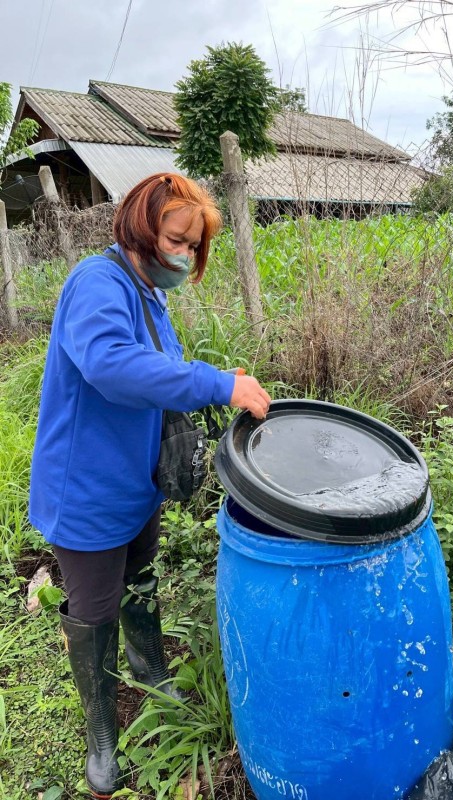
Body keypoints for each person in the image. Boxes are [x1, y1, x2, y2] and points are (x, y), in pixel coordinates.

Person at [29, 172, 271, 799]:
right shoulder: (98, 283)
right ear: (141, 227)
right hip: (87, 487)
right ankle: (100, 730)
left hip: (138, 482)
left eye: (194, 246)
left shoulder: (149, 293)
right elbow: (111, 365)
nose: (185, 255)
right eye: (177, 239)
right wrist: (216, 383)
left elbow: (160, 372)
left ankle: (148, 668)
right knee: (92, 607)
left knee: (141, 572)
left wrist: (207, 387)